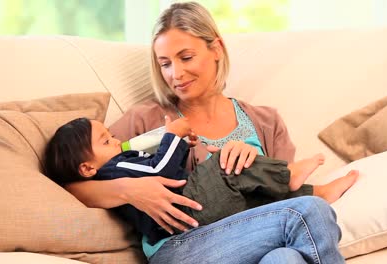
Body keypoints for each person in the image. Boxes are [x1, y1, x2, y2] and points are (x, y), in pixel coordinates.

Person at [64, 2, 359, 263]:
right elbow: (75, 185)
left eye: (186, 57)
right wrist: (132, 190)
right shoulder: (147, 120)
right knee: (310, 211)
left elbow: (283, 199)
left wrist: (249, 161)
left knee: (284, 257)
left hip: (253, 239)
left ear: (216, 48)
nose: (175, 74)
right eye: (165, 64)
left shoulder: (266, 122)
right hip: (180, 248)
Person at [44, 116, 358, 246]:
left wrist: (180, 144)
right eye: (106, 140)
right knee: (224, 164)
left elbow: (160, 167)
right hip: (187, 219)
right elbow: (157, 172)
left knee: (284, 256)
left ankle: (304, 188)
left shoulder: (259, 116)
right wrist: (172, 137)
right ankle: (290, 177)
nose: (117, 140)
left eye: (186, 57)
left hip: (221, 212)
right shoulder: (118, 162)